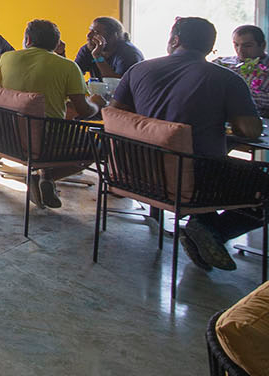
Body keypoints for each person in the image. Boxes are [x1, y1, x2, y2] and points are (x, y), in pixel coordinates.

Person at [109, 16, 261, 271]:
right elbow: (249, 130)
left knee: (206, 166)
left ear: (175, 40)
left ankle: (204, 231)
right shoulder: (225, 78)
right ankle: (213, 231)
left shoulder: (138, 70)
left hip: (135, 171)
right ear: (210, 47)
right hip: (192, 180)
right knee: (256, 182)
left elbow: (115, 115)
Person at [0, 19, 96, 209]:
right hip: (48, 139)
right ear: (56, 44)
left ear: (27, 39)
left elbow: (0, 91)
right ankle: (48, 177)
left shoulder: (7, 58)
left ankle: (45, 178)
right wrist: (97, 105)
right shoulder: (68, 67)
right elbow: (83, 110)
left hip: (7, 132)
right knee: (98, 145)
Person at [73, 17, 143, 83]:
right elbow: (73, 75)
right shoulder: (88, 49)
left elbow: (118, 84)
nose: (88, 35)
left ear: (113, 36)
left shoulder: (129, 53)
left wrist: (97, 56)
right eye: (90, 30)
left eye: (96, 32)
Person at [223, 25, 269, 121]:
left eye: (247, 46)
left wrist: (240, 93)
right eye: (236, 45)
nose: (240, 51)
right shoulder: (223, 64)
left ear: (263, 45)